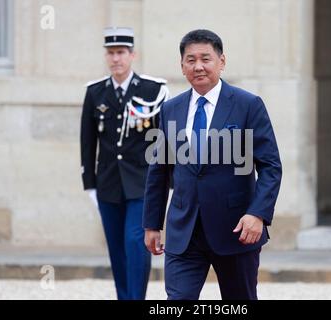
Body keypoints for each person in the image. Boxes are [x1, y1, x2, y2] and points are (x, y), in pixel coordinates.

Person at [143, 29, 282, 300]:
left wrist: (258, 214)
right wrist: (151, 223)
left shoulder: (247, 105)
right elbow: (158, 170)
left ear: (222, 61)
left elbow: (271, 166)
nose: (198, 66)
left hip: (237, 230)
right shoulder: (171, 109)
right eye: (190, 60)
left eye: (205, 58)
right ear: (182, 66)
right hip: (184, 231)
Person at [80, 27, 168, 300]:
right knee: (116, 249)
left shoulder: (152, 90)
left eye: (121, 53)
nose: (116, 58)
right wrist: (89, 185)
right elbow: (87, 141)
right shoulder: (95, 93)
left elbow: (162, 141)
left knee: (135, 241)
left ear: (133, 55)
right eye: (111, 53)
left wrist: (168, 183)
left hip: (142, 183)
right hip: (107, 184)